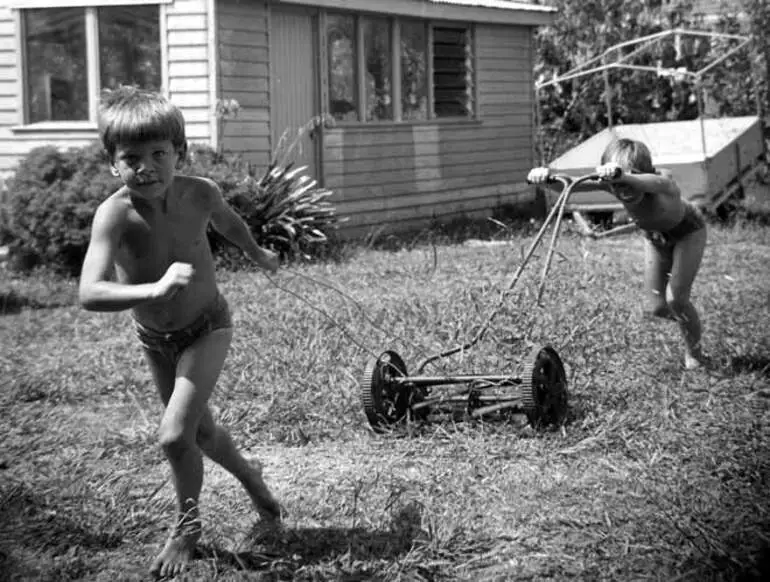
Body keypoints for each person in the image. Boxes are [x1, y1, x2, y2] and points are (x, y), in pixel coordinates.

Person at [78, 86, 282, 578]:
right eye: (131, 158)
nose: (145, 167)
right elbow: (90, 292)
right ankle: (258, 489)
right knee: (202, 432)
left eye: (158, 154)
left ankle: (187, 529)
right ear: (113, 163)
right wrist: (154, 290)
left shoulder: (200, 192)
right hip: (156, 340)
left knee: (174, 437)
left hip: (208, 326)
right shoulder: (114, 215)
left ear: (180, 154)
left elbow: (230, 224)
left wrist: (258, 255)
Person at [527, 138, 708, 370]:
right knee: (658, 307)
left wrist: (623, 176)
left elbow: (648, 181)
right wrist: (547, 176)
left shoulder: (663, 181)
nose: (623, 189)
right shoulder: (612, 182)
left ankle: (695, 354)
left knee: (676, 299)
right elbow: (571, 183)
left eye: (627, 180)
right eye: (615, 184)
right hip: (654, 236)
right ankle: (691, 322)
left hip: (687, 232)